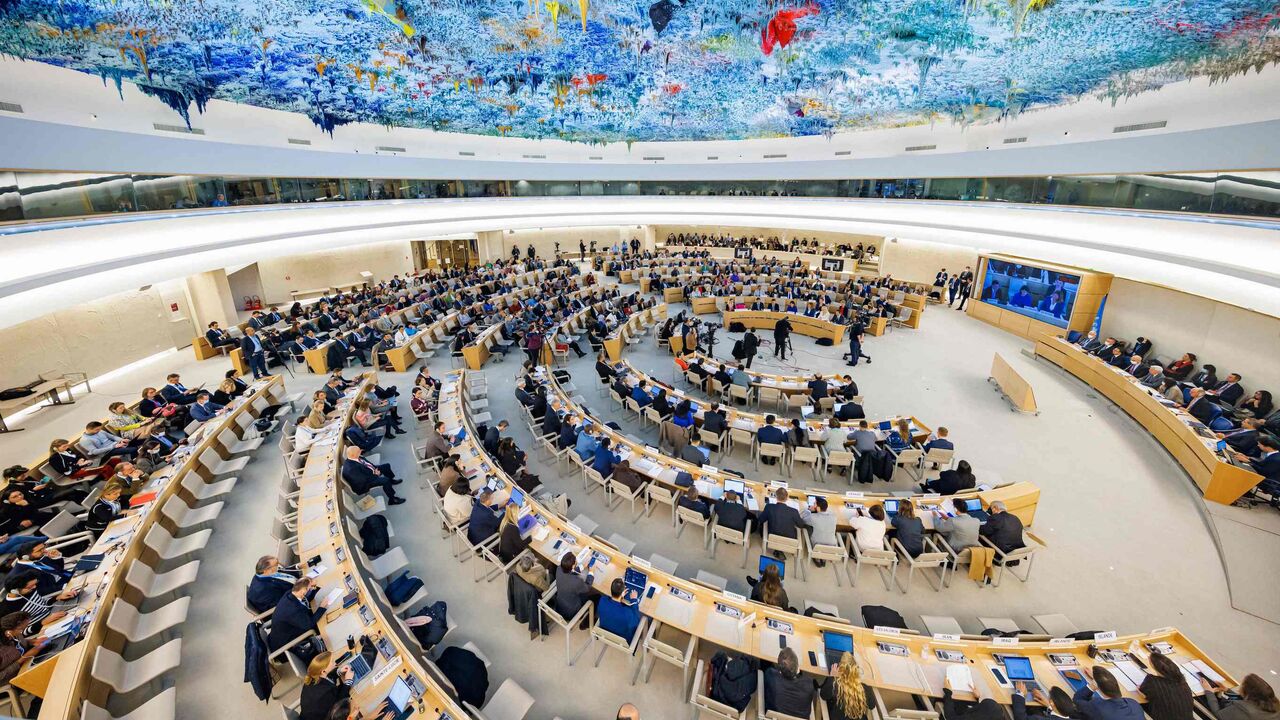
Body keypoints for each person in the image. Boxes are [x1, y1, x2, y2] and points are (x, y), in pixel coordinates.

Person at [268, 578, 331, 659]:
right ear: (303, 591)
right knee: (325, 624)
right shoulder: (293, 609)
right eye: (309, 588)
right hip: (286, 645)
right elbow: (309, 624)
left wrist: (314, 587)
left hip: (283, 633)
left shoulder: (291, 593)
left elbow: (305, 599)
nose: (311, 589)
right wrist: (322, 607)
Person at [340, 446, 405, 505]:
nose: (361, 451)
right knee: (386, 480)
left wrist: (375, 468)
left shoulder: (355, 457)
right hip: (364, 484)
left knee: (386, 466)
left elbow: (367, 463)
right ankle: (392, 500)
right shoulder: (351, 469)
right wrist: (376, 475)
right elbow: (363, 480)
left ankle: (391, 481)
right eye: (359, 451)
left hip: (369, 472)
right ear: (353, 455)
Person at [821, 652, 876, 720]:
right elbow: (872, 706)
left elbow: (823, 695)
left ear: (840, 669)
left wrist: (832, 677)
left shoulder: (836, 686)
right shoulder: (865, 688)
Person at [1074, 667, 1144, 720]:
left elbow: (1078, 699)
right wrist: (1100, 680)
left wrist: (1092, 686)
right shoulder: (1134, 703)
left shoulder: (1097, 707)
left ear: (1098, 686)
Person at [1139, 651, 1193, 720]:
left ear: (1153, 665)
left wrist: (1141, 691)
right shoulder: (1182, 682)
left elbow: (1143, 694)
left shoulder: (1152, 681)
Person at [764, 648, 815, 718]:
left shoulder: (772, 676)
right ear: (797, 668)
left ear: (780, 671)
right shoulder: (809, 685)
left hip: (775, 716)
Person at [1203, 673, 1279, 720]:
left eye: (1242, 685)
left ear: (1248, 692)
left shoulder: (1244, 709)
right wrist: (1227, 690)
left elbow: (1219, 714)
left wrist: (1209, 692)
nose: (1240, 688)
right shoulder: (1273, 705)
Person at [300, 652, 351, 720]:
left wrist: (339, 672)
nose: (335, 663)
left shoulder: (313, 677)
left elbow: (327, 677)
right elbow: (339, 703)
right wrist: (348, 682)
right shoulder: (326, 692)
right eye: (332, 662)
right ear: (323, 671)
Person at [553, 552, 594, 623]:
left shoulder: (559, 568)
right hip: (572, 613)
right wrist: (591, 572)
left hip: (560, 607)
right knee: (593, 596)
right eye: (576, 561)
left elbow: (568, 573)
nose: (577, 561)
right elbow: (587, 587)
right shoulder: (576, 582)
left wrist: (581, 567)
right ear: (573, 566)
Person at [597, 578, 642, 642]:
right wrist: (634, 600)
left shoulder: (602, 600)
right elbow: (637, 619)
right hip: (622, 640)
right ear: (623, 593)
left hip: (605, 631)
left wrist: (620, 596)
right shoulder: (628, 613)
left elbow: (610, 601)